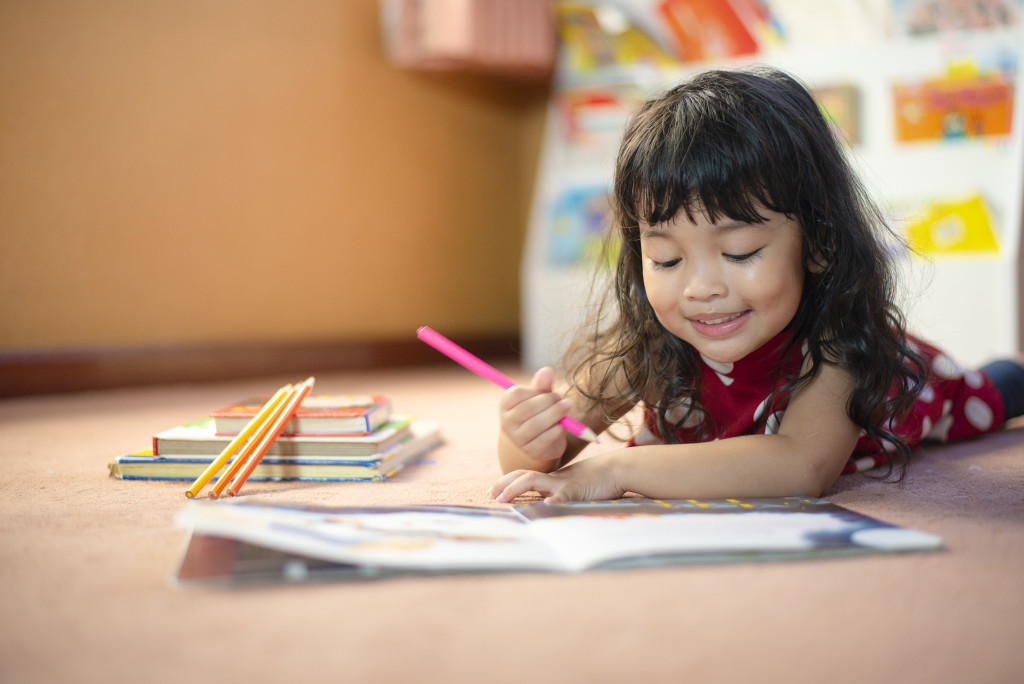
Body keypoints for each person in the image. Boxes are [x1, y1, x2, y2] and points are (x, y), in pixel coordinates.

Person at [490, 67, 1024, 504]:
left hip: (926, 386)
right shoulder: (644, 342)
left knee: (994, 392)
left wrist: (621, 467)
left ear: (817, 241)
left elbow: (800, 465)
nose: (701, 287)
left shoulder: (842, 346)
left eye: (739, 252)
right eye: (667, 258)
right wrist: (529, 439)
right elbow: (548, 452)